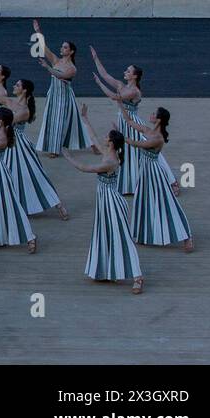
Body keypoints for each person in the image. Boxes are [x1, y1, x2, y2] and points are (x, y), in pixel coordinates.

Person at [62, 125, 142, 294]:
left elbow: (84, 168)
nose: (105, 138)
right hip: (105, 202)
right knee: (104, 234)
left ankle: (137, 277)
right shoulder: (109, 153)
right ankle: (107, 270)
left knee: (123, 237)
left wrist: (68, 157)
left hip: (112, 203)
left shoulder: (110, 161)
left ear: (112, 143)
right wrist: (84, 118)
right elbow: (95, 139)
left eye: (108, 137)